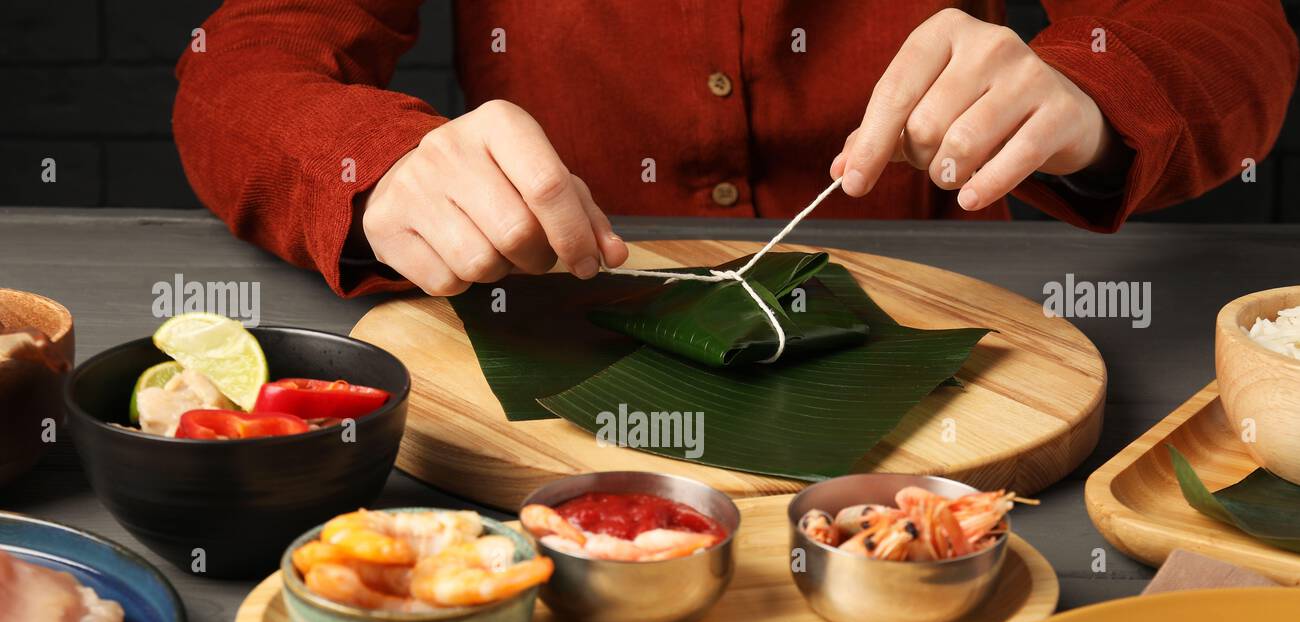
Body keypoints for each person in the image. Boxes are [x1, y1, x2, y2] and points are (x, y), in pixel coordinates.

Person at [174, 1, 1297, 299]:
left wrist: (1088, 90)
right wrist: (371, 162)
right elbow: (239, 61)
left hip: (945, 334)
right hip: (563, 324)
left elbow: (1228, 31)